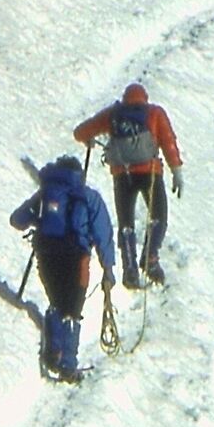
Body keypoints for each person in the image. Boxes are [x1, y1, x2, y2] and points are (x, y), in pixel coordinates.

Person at [10, 154, 116, 383]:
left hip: (47, 254)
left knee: (57, 303)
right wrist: (108, 269)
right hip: (77, 257)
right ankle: (68, 364)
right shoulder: (89, 197)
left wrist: (39, 220)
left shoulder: (46, 193)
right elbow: (103, 233)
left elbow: (17, 220)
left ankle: (53, 352)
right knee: (72, 310)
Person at [72, 82, 184, 288]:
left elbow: (80, 132)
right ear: (145, 99)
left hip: (122, 175)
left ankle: (130, 269)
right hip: (150, 173)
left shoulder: (113, 114)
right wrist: (176, 170)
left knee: (126, 224)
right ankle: (150, 258)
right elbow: (168, 141)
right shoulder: (155, 113)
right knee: (158, 217)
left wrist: (88, 140)